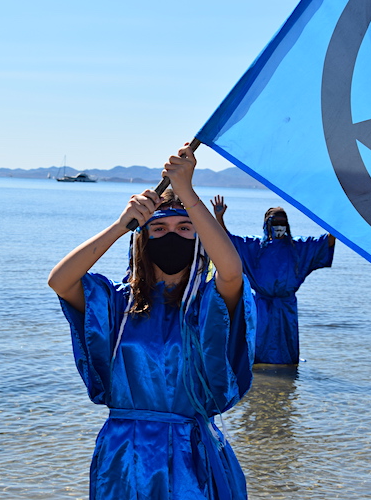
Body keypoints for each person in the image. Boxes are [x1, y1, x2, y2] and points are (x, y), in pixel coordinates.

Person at [48, 145, 256, 500]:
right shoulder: (117, 302)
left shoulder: (207, 303)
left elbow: (232, 272)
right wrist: (120, 226)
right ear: (143, 239)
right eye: (158, 228)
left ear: (200, 236)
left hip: (192, 451)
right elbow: (60, 280)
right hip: (125, 452)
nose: (171, 235)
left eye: (185, 227)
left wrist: (187, 192)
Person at [211, 195, 334, 365]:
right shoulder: (254, 246)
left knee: (287, 351)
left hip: (286, 306)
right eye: (275, 222)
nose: (279, 226)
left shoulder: (298, 247)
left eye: (282, 222)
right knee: (258, 347)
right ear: (266, 224)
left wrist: (335, 219)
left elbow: (325, 242)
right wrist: (219, 218)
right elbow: (228, 241)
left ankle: (286, 378)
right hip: (261, 305)